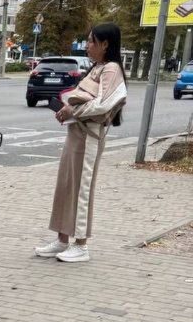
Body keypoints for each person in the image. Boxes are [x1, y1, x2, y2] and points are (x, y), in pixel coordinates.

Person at [35, 23, 127, 264]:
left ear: (105, 44)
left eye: (91, 41)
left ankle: (81, 244)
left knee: (82, 188)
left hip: (90, 135)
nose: (87, 46)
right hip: (76, 133)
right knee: (65, 186)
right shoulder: (97, 68)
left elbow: (105, 104)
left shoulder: (111, 69)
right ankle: (62, 239)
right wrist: (68, 110)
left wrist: (71, 110)